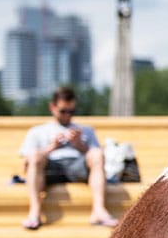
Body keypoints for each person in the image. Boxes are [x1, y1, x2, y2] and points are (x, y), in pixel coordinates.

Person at [18, 86, 118, 230]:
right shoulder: (37, 131)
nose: (67, 115)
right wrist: (52, 147)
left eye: (71, 111)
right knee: (35, 155)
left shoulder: (86, 130)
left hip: (78, 166)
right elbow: (26, 163)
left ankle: (99, 210)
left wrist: (79, 144)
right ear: (52, 107)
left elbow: (97, 158)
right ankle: (35, 212)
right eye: (63, 111)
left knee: (97, 153)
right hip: (50, 168)